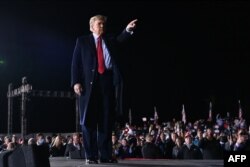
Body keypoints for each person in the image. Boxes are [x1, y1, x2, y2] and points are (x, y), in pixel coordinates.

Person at [71, 14, 137, 164]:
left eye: (104, 24)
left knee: (106, 121)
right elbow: (75, 64)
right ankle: (91, 156)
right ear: (91, 26)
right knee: (88, 122)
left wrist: (127, 30)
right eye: (99, 24)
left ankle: (106, 155)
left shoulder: (110, 39)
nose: (102, 26)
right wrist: (76, 82)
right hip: (88, 86)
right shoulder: (82, 41)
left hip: (107, 82)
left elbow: (121, 39)